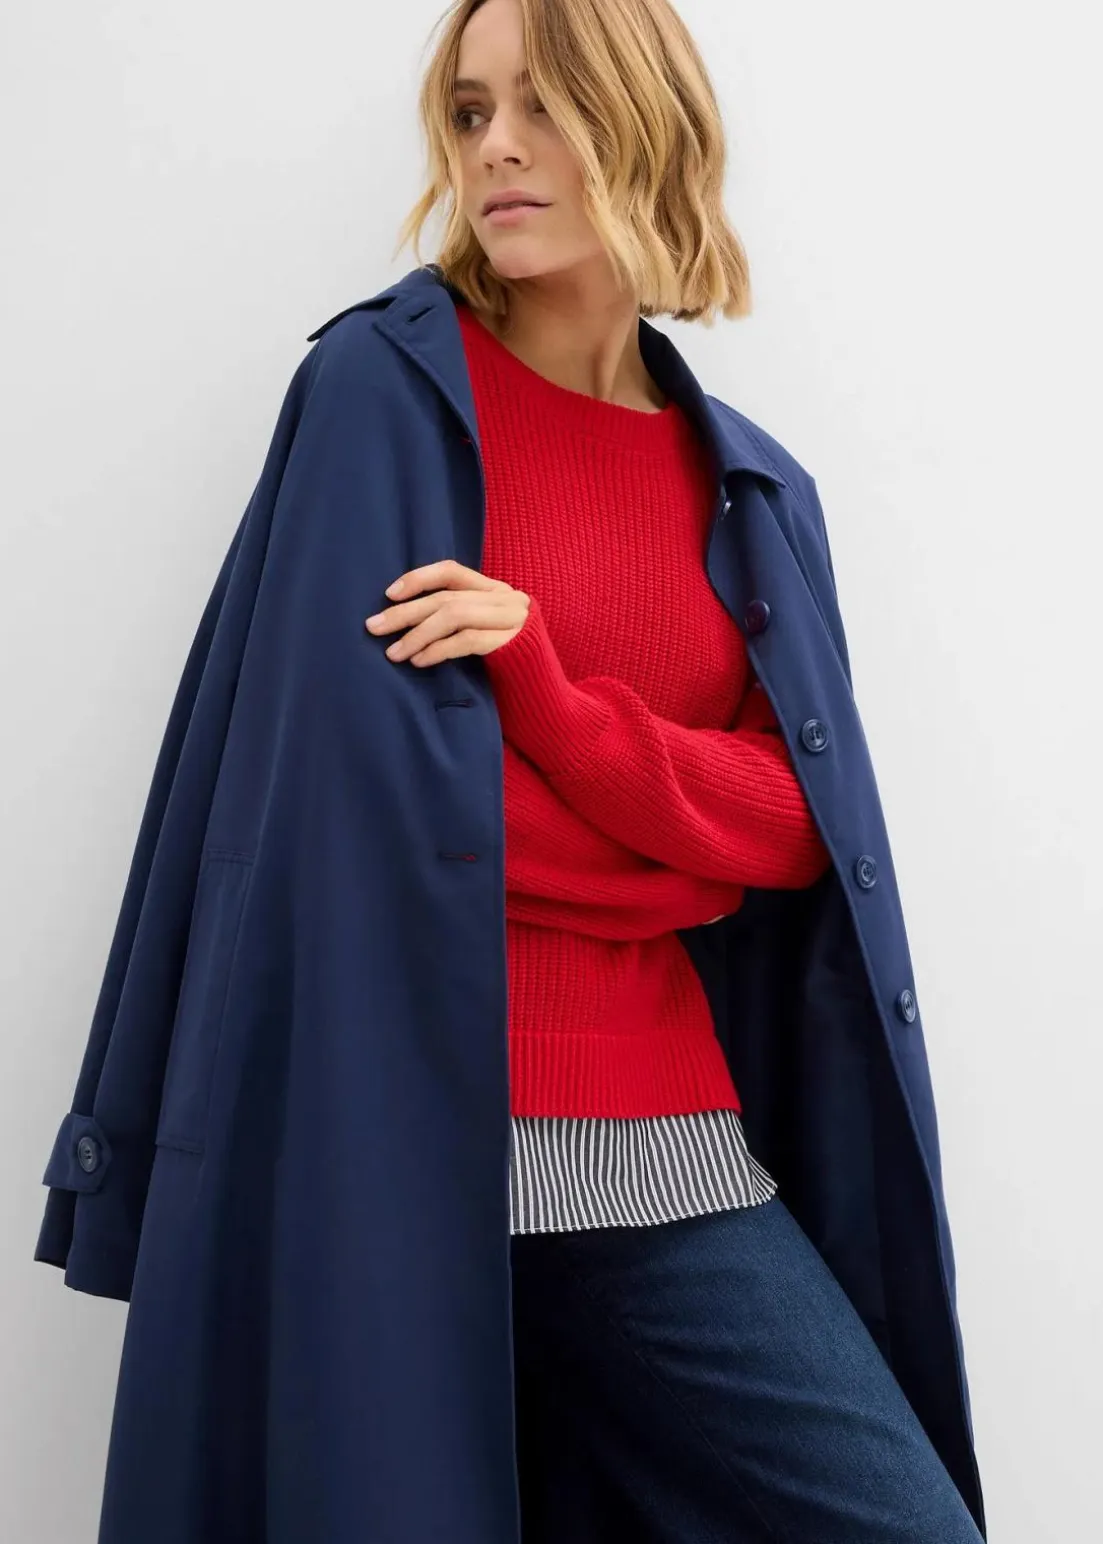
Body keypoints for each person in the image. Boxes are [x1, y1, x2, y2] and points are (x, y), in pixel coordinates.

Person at [33, 1, 986, 1539]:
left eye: (544, 105)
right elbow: (354, 810)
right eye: (471, 113)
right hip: (397, 1152)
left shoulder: (748, 484)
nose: (497, 149)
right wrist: (669, 870)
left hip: (663, 1153)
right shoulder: (384, 397)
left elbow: (793, 829)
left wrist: (538, 685)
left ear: (646, 124)